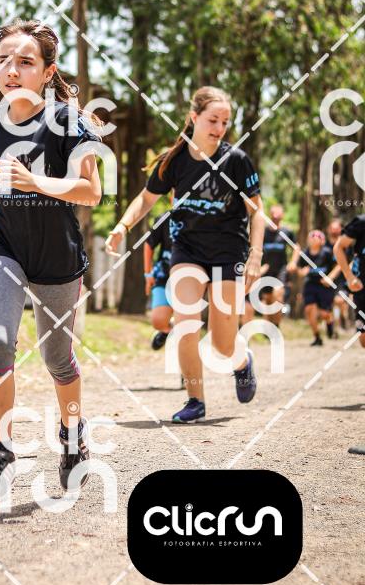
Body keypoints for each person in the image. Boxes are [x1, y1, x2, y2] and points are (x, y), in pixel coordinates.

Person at [0, 20, 102, 502]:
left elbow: (91, 191)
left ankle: (73, 434)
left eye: (24, 62)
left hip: (57, 256)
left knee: (57, 358)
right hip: (5, 245)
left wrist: (36, 182)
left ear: (47, 71)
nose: (11, 70)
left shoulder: (69, 122)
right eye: (3, 60)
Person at [105, 86, 264, 423]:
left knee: (222, 344)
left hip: (228, 252)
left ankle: (242, 361)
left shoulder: (236, 161)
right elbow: (146, 199)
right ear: (194, 117)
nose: (219, 128)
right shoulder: (174, 160)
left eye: (225, 122)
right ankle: (195, 400)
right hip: (188, 249)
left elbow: (257, 212)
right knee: (186, 322)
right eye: (213, 120)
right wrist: (122, 226)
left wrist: (255, 255)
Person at [289, 229, 340, 346]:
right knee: (309, 309)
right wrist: (301, 272)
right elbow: (299, 270)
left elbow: (338, 266)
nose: (313, 238)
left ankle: (330, 324)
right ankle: (317, 337)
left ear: (322, 240)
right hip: (310, 284)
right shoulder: (305, 254)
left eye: (317, 236)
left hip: (324, 286)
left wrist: (330, 277)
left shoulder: (327, 252)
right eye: (311, 236)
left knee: (324, 313)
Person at [259, 204, 296, 325]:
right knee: (267, 299)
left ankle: (276, 325)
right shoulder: (263, 232)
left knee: (278, 296)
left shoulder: (286, 232)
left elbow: (296, 247)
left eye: (278, 214)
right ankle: (269, 326)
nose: (275, 217)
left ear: (282, 216)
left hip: (281, 269)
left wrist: (293, 262)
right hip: (265, 270)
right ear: (270, 215)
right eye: (273, 214)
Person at [333, 217, 365, 349]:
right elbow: (338, 247)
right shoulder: (361, 223)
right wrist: (349, 277)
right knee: (363, 339)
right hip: (361, 285)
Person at [144, 213, 174, 350]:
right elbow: (149, 244)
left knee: (185, 320)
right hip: (163, 274)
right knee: (158, 321)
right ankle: (166, 330)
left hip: (190, 277)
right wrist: (148, 273)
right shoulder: (164, 218)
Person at [327, 218, 351, 332]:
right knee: (330, 303)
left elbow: (343, 263)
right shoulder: (325, 245)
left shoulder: (345, 245)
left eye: (337, 228)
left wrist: (331, 276)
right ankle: (333, 329)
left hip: (343, 278)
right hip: (326, 279)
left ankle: (343, 318)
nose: (334, 231)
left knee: (339, 301)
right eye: (332, 228)